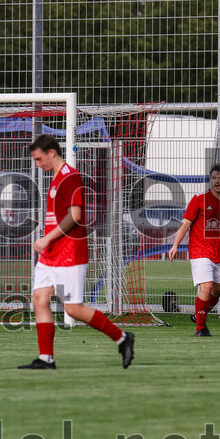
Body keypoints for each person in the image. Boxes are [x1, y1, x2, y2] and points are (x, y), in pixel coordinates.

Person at [19, 134, 134, 369]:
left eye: (39, 159)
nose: (37, 164)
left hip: (70, 252)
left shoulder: (70, 177)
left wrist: (46, 238)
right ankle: (46, 358)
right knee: (40, 298)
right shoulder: (55, 178)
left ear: (52, 153)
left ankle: (122, 338)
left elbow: (75, 216)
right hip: (51, 253)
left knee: (73, 309)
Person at [168, 163, 220, 337]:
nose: (217, 181)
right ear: (210, 179)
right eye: (214, 177)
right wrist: (175, 244)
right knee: (206, 286)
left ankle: (199, 313)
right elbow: (185, 223)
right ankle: (200, 328)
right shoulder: (199, 199)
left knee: (219, 289)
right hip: (199, 250)